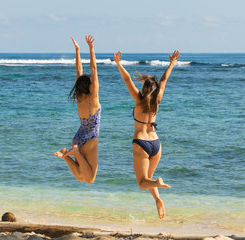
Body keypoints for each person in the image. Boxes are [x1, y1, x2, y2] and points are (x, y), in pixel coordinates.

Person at [113, 50, 180, 219]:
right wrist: (171, 63)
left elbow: (127, 80)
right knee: (148, 178)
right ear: (156, 89)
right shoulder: (158, 99)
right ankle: (158, 198)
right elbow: (164, 80)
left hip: (141, 142)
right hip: (156, 143)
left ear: (144, 88)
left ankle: (157, 183)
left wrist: (119, 64)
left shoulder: (138, 99)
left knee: (142, 183)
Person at [54, 35, 100, 184]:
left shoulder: (79, 97)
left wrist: (78, 49)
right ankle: (75, 154)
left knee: (81, 177)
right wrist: (91, 48)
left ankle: (66, 154)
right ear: (90, 85)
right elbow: (94, 69)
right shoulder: (93, 98)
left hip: (79, 137)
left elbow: (79, 70)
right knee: (90, 179)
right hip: (90, 139)